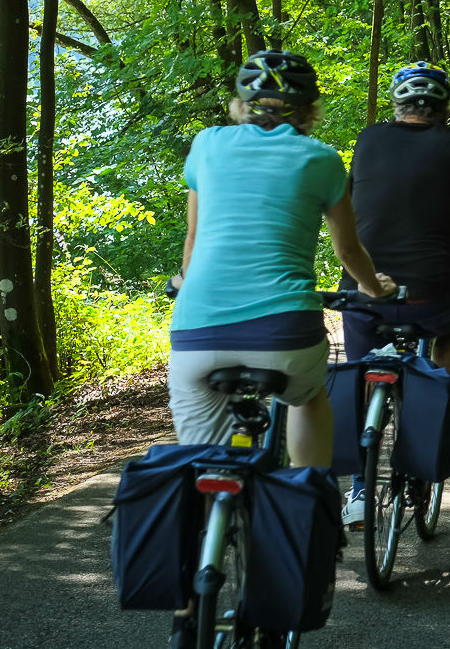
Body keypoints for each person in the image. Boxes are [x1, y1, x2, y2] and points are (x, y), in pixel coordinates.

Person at [167, 50, 397, 465]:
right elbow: (347, 250)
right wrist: (374, 288)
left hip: (198, 330)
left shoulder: (207, 145)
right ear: (310, 110)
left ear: (241, 104)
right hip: (285, 331)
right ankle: (309, 507)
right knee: (307, 399)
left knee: (199, 463)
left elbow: (195, 237)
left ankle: (207, 519)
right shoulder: (321, 159)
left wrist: (184, 279)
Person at [338, 60, 450, 526]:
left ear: (397, 104)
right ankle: (435, 393)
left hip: (364, 294)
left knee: (360, 373)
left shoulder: (368, 138)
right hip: (432, 295)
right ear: (444, 107)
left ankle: (359, 491)